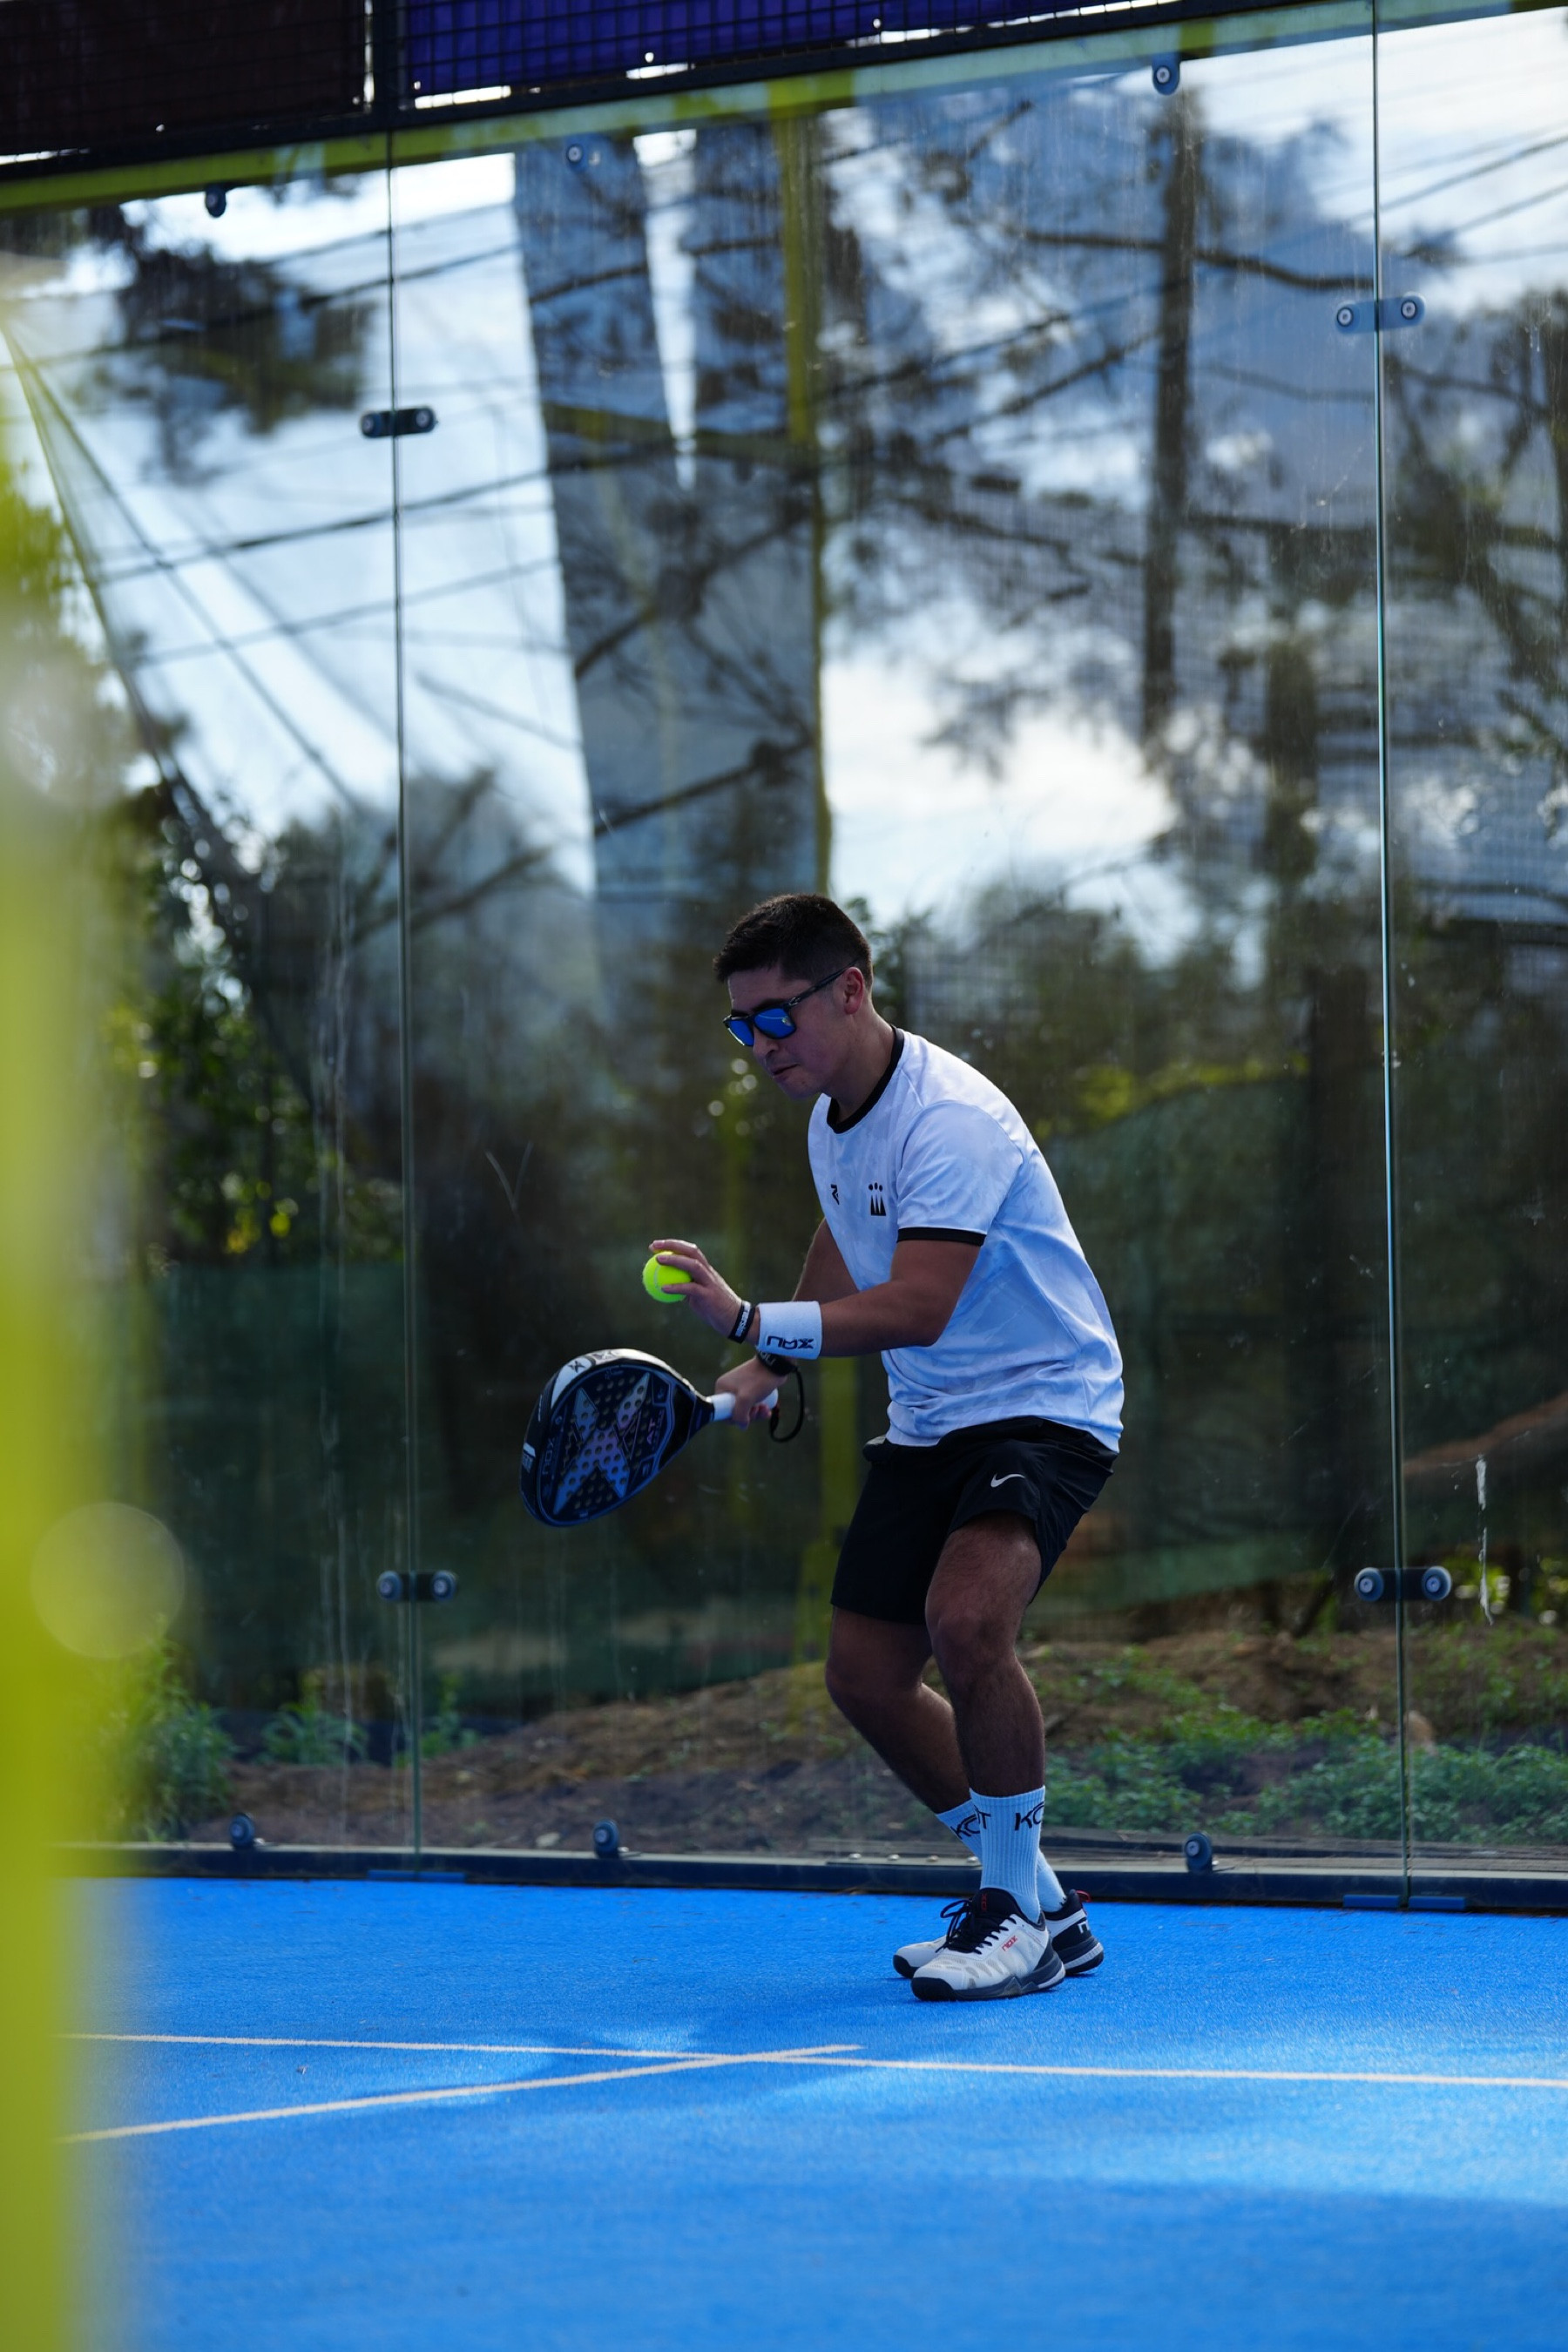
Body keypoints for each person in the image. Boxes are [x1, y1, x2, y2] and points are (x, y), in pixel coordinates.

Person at [649, 892, 1123, 2002]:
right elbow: (848, 1231)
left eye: (777, 1017)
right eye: (742, 1026)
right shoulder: (832, 1119)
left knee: (967, 1622)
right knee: (865, 1677)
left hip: (1043, 1404)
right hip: (932, 1420)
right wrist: (772, 1364)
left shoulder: (951, 1118)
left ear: (850, 990)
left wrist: (749, 1320)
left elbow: (918, 1305)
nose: (759, 1046)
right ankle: (1045, 1904)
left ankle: (1010, 1916)